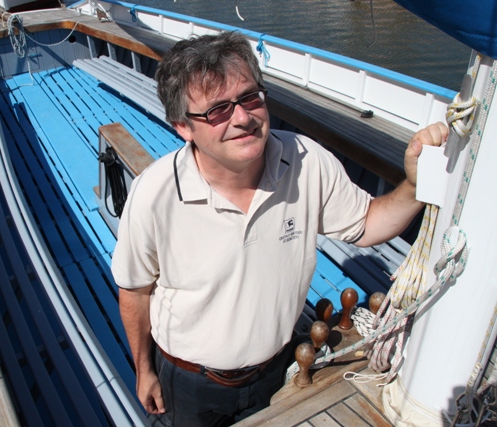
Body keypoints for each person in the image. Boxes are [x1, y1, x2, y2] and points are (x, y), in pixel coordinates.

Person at [111, 31, 447, 426]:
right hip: (189, 383)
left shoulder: (307, 162)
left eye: (250, 97)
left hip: (277, 368)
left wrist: (413, 185)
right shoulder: (155, 194)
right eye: (218, 110)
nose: (243, 117)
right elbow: (135, 291)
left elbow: (368, 223)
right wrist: (143, 370)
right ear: (184, 127)